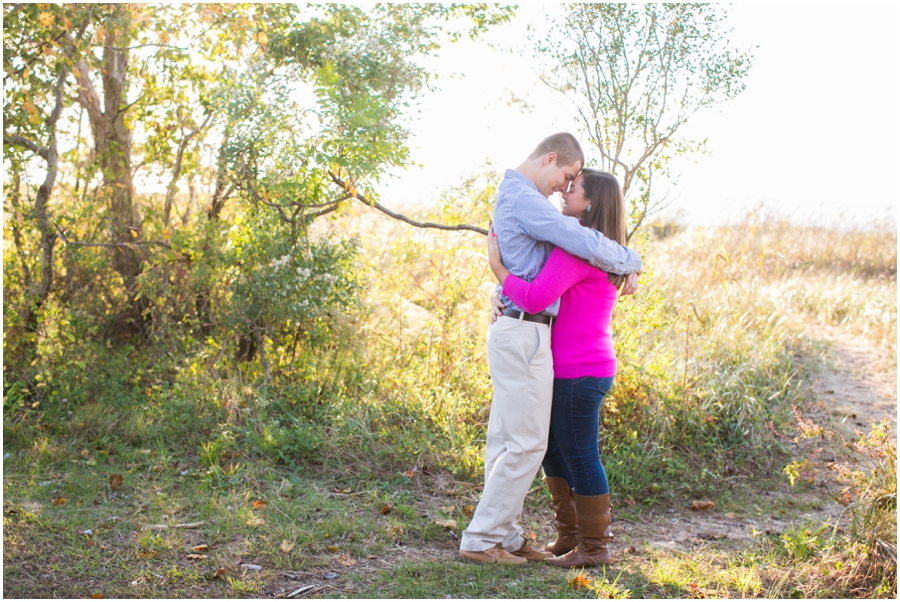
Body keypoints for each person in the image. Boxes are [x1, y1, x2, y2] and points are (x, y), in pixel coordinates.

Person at [457, 133, 642, 566]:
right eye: (566, 178)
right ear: (551, 158)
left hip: (559, 352)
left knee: (522, 443)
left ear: (591, 203)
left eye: (573, 186)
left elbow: (549, 277)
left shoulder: (567, 235)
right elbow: (548, 278)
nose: (564, 189)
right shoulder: (533, 206)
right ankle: (498, 537)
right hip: (530, 337)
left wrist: (500, 273)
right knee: (523, 443)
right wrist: (630, 260)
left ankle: (521, 537)